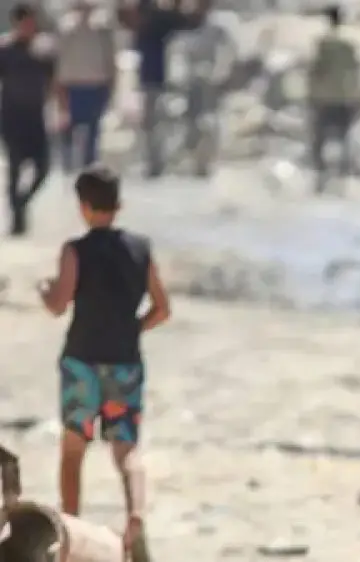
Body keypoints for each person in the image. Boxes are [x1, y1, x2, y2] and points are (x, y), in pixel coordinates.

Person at [36, 164, 170, 556]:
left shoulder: (75, 251)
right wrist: (133, 329)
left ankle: (70, 528)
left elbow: (59, 304)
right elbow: (162, 308)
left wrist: (44, 289)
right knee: (126, 448)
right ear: (119, 205)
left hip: (81, 360)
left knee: (74, 448)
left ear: (83, 207)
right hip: (125, 361)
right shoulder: (140, 249)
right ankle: (136, 517)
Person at [121, 0, 205, 178]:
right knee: (155, 124)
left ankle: (162, 162)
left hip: (166, 79)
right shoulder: (153, 23)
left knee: (162, 123)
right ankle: (158, 162)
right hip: (157, 81)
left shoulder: (158, 21)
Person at [0, 3, 62, 236]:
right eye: (24, 22)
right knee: (15, 169)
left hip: (36, 117)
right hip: (11, 117)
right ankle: (17, 219)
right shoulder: (5, 50)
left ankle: (21, 203)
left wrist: (60, 109)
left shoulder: (43, 51)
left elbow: (54, 81)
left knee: (43, 168)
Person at [174, 0, 235, 177]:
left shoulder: (218, 29)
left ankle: (208, 161)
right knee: (192, 123)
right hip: (191, 82)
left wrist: (219, 73)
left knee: (210, 122)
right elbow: (178, 54)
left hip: (212, 82)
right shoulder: (185, 28)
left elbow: (227, 53)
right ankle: (194, 159)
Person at [307, 4, 360, 195]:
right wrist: (359, 95)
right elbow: (356, 70)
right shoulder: (350, 41)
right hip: (346, 95)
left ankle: (321, 177)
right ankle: (342, 178)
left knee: (320, 138)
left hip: (325, 96)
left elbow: (316, 70)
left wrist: (311, 94)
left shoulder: (324, 42)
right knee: (344, 137)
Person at [55, 0, 117, 171]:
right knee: (70, 126)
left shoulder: (102, 28)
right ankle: (68, 164)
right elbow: (60, 61)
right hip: (73, 85)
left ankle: (89, 164)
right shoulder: (66, 28)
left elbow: (110, 57)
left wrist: (111, 83)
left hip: (96, 85)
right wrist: (59, 89)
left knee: (93, 128)